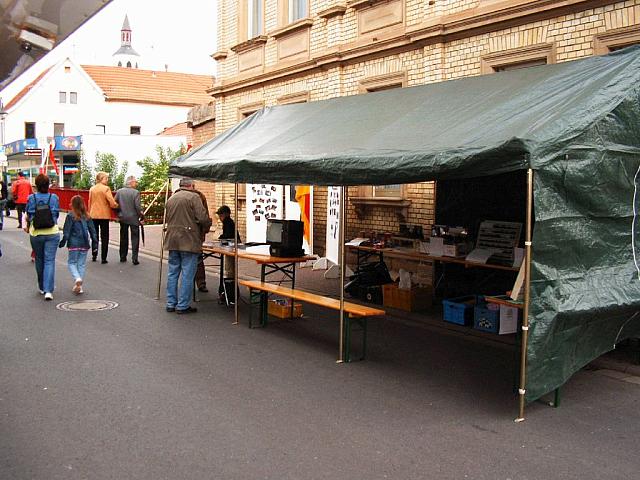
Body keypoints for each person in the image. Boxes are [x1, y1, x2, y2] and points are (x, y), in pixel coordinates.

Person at [164, 178, 211, 314]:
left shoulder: (171, 199)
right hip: (189, 240)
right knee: (187, 274)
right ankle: (182, 305)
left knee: (173, 273)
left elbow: (168, 218)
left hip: (172, 240)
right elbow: (202, 218)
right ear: (191, 185)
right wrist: (206, 225)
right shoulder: (193, 197)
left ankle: (170, 303)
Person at [26, 174, 60, 301]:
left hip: (36, 233)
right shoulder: (54, 197)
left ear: (37, 185)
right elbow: (56, 214)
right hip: (52, 232)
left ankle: (41, 286)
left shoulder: (31, 198)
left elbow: (29, 214)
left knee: (39, 259)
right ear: (48, 185)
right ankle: (48, 290)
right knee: (49, 261)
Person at [59, 195, 98, 294]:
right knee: (81, 264)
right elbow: (93, 232)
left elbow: (66, 231)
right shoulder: (87, 216)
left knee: (71, 263)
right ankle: (79, 286)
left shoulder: (70, 216)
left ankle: (77, 278)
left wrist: (63, 242)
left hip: (73, 243)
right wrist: (95, 245)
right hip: (85, 243)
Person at [88, 172, 118, 264]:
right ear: (102, 179)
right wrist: (117, 205)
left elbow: (90, 201)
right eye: (106, 178)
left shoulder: (92, 189)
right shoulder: (106, 189)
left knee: (95, 235)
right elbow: (111, 202)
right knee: (105, 236)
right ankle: (104, 257)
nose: (107, 180)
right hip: (104, 215)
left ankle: (94, 254)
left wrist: (89, 212)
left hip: (93, 214)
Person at [115, 176, 144, 265]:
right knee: (135, 238)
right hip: (133, 218)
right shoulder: (136, 193)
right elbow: (137, 206)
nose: (136, 183)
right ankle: (134, 258)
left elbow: (114, 203)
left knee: (123, 237)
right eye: (135, 182)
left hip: (123, 217)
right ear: (131, 183)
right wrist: (141, 215)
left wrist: (118, 213)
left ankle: (122, 256)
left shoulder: (119, 192)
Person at [216, 205, 240, 304]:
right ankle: (227, 291)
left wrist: (221, 237)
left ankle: (229, 292)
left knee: (229, 270)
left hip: (232, 247)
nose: (220, 219)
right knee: (230, 269)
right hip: (233, 245)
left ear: (225, 214)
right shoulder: (229, 222)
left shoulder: (227, 222)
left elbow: (227, 235)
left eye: (221, 216)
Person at [194, 189, 212, 292]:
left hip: (179, 236)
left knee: (179, 262)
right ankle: (201, 283)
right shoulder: (200, 196)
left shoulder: (175, 195)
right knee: (198, 260)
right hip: (195, 235)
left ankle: (198, 283)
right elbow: (204, 217)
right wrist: (205, 230)